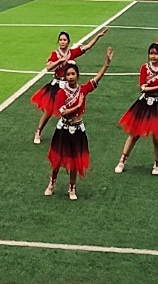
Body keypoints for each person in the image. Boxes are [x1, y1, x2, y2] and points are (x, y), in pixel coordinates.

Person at [46, 46, 112, 200]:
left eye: (73, 74)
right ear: (65, 77)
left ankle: (72, 188)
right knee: (57, 159)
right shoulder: (61, 93)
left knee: (74, 160)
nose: (70, 77)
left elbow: (96, 79)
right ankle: (52, 183)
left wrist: (106, 64)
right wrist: (77, 106)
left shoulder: (82, 90)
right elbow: (62, 112)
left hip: (77, 130)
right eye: (68, 74)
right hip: (63, 129)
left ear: (77, 75)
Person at [114, 43, 158, 175]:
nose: (153, 56)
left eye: (155, 53)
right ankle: (122, 160)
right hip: (145, 103)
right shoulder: (144, 68)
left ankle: (157, 164)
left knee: (157, 137)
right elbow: (143, 88)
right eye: (151, 53)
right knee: (134, 134)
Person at [31, 28, 108, 144]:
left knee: (71, 108)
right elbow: (48, 67)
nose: (62, 42)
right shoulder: (55, 54)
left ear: (68, 42)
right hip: (57, 85)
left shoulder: (71, 53)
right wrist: (60, 60)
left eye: (64, 40)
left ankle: (68, 132)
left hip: (68, 86)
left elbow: (87, 47)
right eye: (60, 40)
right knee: (49, 111)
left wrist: (98, 36)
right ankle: (38, 131)